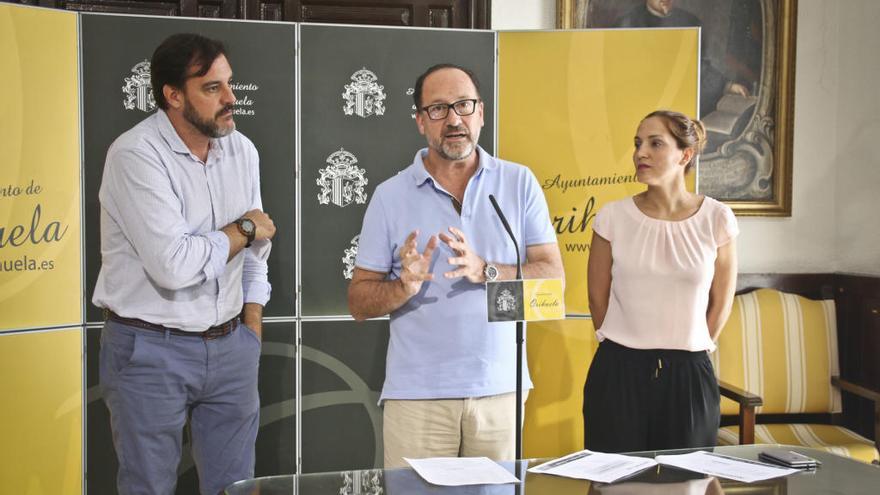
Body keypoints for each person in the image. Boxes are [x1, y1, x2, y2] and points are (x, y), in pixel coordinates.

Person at [348, 63, 564, 468]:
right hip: (417, 397)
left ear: (481, 113)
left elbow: (552, 282)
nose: (453, 119)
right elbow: (359, 302)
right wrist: (402, 288)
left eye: (464, 106)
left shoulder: (518, 183)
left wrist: (488, 271)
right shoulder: (389, 196)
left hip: (500, 391)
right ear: (419, 121)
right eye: (438, 109)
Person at [93, 33, 275, 495]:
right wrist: (245, 229)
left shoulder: (242, 150)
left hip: (232, 342)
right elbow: (173, 265)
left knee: (238, 487)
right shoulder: (136, 155)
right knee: (148, 487)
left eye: (229, 84)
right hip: (151, 348)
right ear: (173, 95)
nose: (231, 99)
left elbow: (257, 252)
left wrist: (251, 324)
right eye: (212, 88)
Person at [582, 109, 738, 452]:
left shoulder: (717, 218)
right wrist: (624, 346)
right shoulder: (612, 217)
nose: (640, 153)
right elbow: (597, 298)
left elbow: (722, 300)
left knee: (688, 482)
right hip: (618, 371)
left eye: (655, 143)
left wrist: (692, 345)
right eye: (638, 143)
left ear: (685, 154)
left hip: (690, 375)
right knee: (614, 483)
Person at [614, 0, 750, 116]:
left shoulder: (690, 21)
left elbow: (698, 65)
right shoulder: (627, 23)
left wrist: (727, 85)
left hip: (677, 101)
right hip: (639, 101)